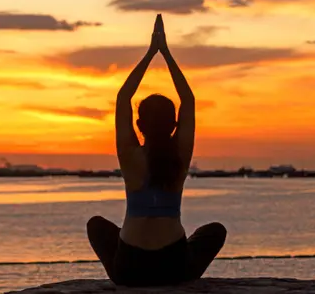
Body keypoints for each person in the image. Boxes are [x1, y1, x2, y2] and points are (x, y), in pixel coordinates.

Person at [86, 14, 227, 287]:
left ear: (139, 125)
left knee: (96, 225)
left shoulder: (130, 157)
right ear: (174, 124)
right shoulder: (180, 156)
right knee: (214, 231)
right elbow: (188, 99)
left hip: (129, 268)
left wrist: (151, 52)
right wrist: (166, 53)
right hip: (173, 266)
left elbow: (123, 97)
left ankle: (119, 275)